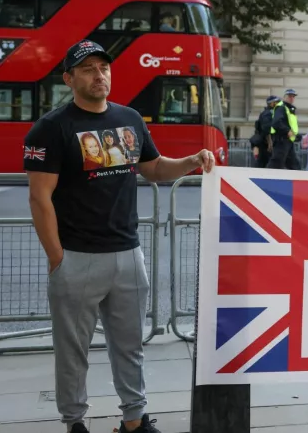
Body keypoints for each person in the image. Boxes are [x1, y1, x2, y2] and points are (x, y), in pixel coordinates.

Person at [25, 40, 215, 433]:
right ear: (69, 78)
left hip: (129, 254)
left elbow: (155, 168)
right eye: (88, 69)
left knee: (130, 347)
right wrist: (57, 257)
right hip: (76, 256)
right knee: (72, 352)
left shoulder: (129, 119)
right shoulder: (51, 128)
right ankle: (75, 422)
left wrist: (192, 162)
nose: (99, 75)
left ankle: (134, 421)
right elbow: (39, 197)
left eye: (104, 68)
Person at [269, 89, 300, 170]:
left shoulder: (289, 109)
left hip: (288, 141)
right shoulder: (281, 108)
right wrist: (287, 131)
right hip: (281, 140)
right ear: (284, 97)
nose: (292, 98)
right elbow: (276, 123)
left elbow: (289, 124)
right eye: (289, 96)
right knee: (276, 164)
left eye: (293, 96)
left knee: (294, 165)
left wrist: (295, 135)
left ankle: (297, 181)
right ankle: (264, 179)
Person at [250, 96, 278, 168]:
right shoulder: (268, 113)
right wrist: (270, 142)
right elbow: (266, 129)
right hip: (265, 143)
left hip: (265, 142)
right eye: (276, 102)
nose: (277, 104)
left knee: (263, 162)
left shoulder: (268, 113)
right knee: (264, 162)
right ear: (271, 103)